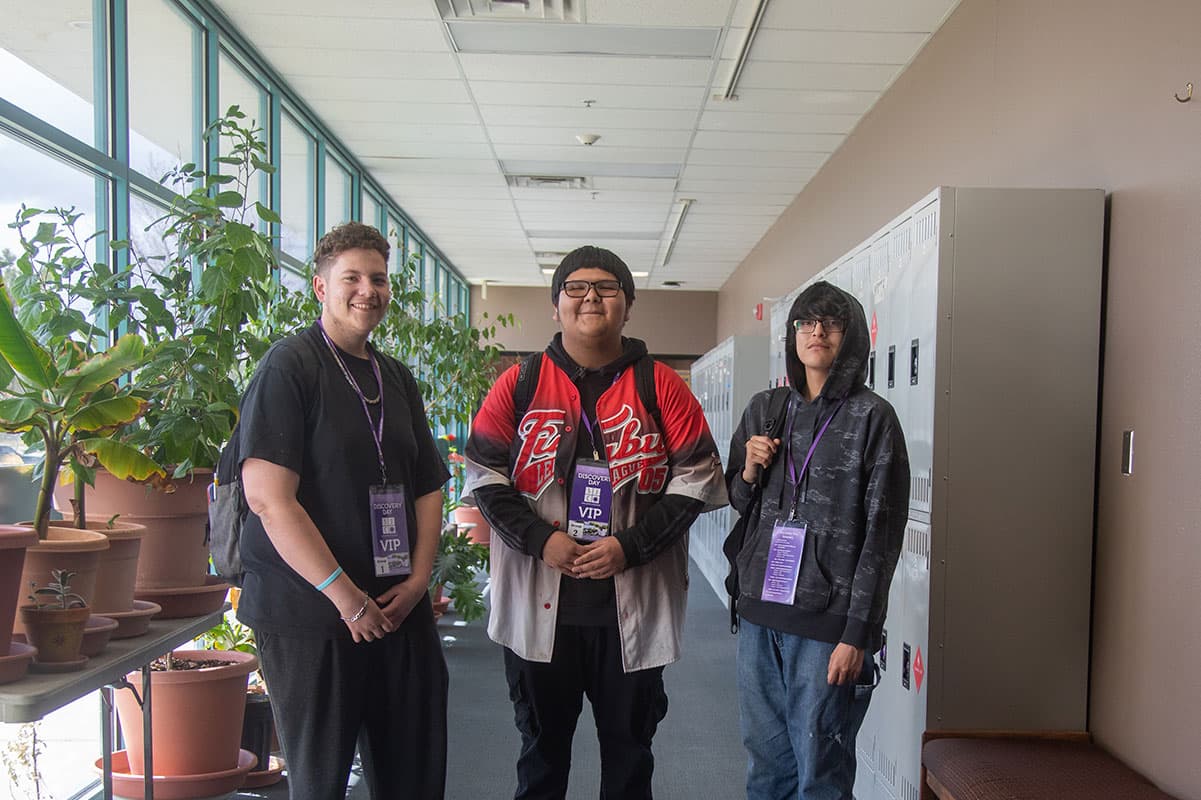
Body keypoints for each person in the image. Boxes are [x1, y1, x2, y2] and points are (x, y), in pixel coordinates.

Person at [464, 246, 728, 799]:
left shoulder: (661, 385)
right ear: (555, 304)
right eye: (576, 287)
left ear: (627, 306)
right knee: (540, 759)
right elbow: (485, 477)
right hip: (539, 608)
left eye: (607, 288)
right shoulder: (519, 384)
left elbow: (696, 480)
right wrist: (542, 540)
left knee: (629, 762)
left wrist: (629, 547)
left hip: (630, 607)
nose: (591, 297)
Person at [236, 222, 449, 800]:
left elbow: (428, 485)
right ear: (319, 287)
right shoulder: (290, 366)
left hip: (396, 607)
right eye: (351, 277)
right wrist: (344, 597)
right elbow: (267, 498)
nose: (367, 290)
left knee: (414, 769)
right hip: (313, 614)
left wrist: (419, 579)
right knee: (321, 780)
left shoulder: (396, 377)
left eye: (378, 278)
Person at [726, 281, 909, 800]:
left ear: (850, 337)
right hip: (761, 611)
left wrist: (858, 634)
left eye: (831, 323)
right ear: (793, 335)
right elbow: (738, 502)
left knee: (820, 773)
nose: (817, 332)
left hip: (827, 625)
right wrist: (748, 472)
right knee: (767, 769)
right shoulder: (766, 408)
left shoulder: (873, 417)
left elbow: (883, 535)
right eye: (806, 323)